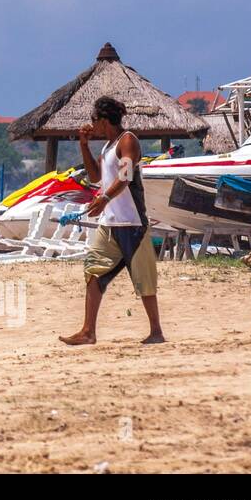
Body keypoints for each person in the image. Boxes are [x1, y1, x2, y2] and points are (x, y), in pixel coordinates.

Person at [60, 96, 165, 346]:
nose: (91, 126)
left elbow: (126, 175)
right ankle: (88, 332)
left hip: (132, 223)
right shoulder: (107, 147)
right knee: (93, 271)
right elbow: (96, 177)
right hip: (109, 224)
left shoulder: (127, 140)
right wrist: (83, 145)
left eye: (93, 121)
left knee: (144, 279)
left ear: (104, 120)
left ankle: (156, 331)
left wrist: (105, 198)